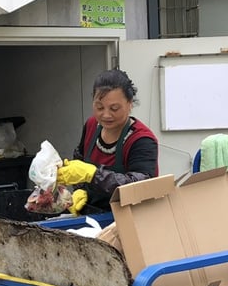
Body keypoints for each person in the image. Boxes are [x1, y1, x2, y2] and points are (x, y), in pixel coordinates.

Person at [57, 68, 159, 214]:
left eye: (114, 108)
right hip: (93, 214)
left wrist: (93, 175)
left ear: (130, 104)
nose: (106, 115)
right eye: (99, 107)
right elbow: (79, 158)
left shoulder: (142, 140)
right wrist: (80, 189)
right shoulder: (91, 125)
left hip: (129, 216)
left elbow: (140, 186)